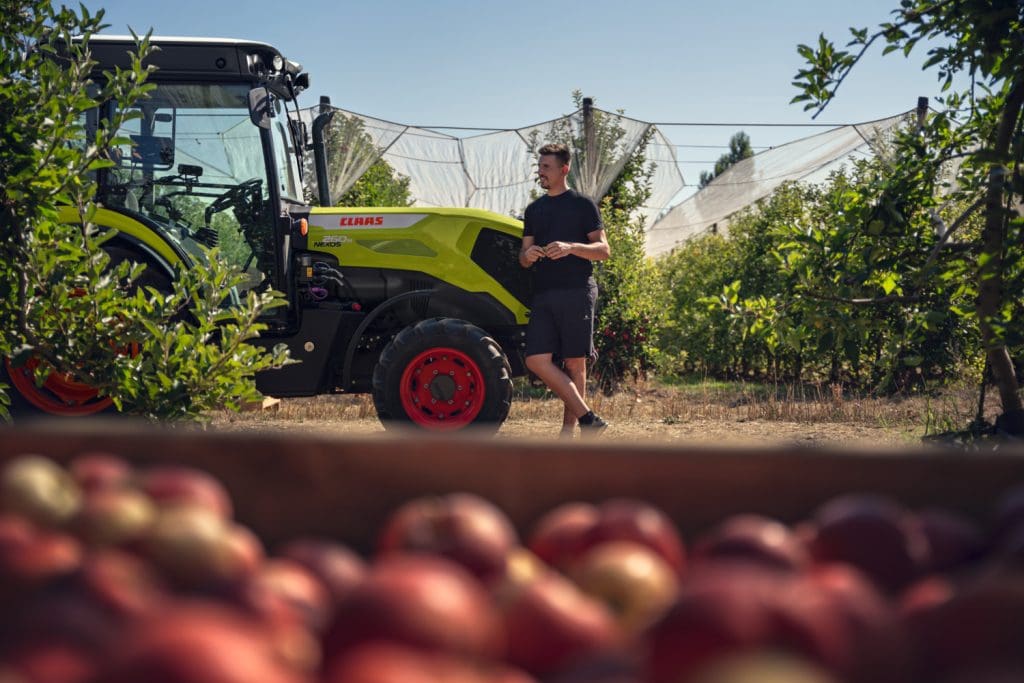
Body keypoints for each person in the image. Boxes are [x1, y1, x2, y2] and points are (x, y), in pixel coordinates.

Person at [519, 143, 610, 437]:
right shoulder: (534, 209)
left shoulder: (583, 205)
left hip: (577, 290)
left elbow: (603, 250)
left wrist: (571, 247)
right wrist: (529, 255)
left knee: (574, 362)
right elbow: (523, 257)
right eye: (539, 166)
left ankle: (568, 433)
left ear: (564, 169)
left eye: (546, 167)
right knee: (536, 360)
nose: (540, 172)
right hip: (544, 293)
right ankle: (589, 419)